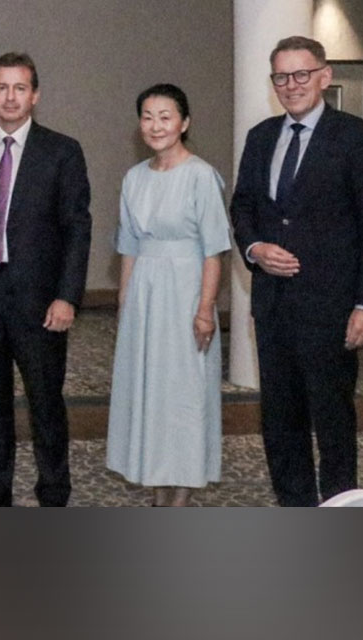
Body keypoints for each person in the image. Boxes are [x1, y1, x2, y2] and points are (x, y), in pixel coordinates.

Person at [230, 36, 363, 507]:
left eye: (301, 74)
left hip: (332, 308)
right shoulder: (260, 137)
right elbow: (243, 207)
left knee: (333, 420)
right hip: (273, 306)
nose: (291, 85)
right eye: (281, 76)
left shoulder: (355, 137)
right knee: (280, 421)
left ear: (325, 76)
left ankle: (339, 512)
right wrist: (255, 248)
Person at [0, 52, 91, 507]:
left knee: (45, 400)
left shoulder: (62, 151)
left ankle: (54, 486)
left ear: (35, 95)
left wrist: (67, 297)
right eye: (2, 87)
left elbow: (77, 230)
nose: (10, 97)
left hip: (41, 301)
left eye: (20, 88)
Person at [105, 84, 230, 507]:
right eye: (147, 117)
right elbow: (128, 248)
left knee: (184, 394)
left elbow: (214, 251)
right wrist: (125, 304)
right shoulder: (134, 177)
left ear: (184, 123)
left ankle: (180, 497)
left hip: (186, 294)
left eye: (165, 116)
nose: (155, 126)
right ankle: (156, 487)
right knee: (149, 393)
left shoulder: (201, 176)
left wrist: (205, 310)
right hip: (145, 297)